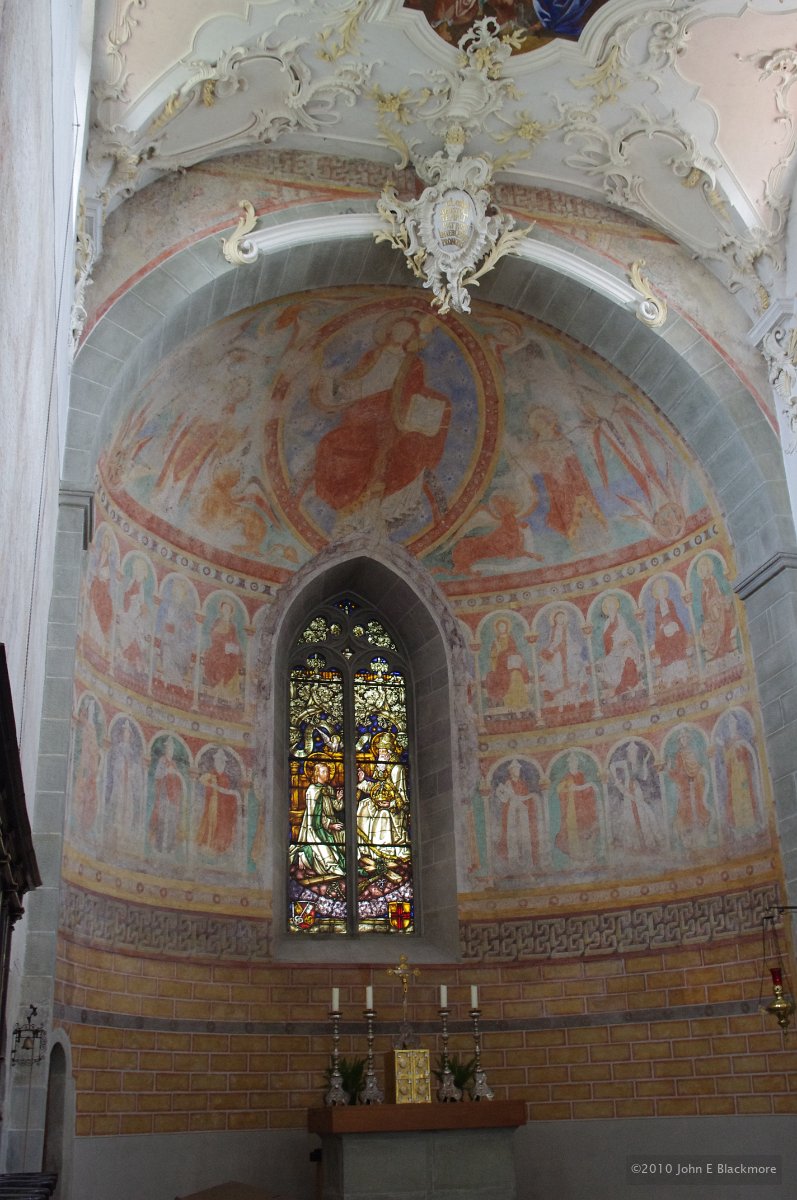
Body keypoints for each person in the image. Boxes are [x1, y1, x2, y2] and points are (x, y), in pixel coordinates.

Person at [305, 313, 451, 522]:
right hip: (361, 414)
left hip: (391, 417)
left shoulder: (414, 363)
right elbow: (354, 382)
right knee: (330, 443)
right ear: (389, 331)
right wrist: (329, 383)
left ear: (411, 337)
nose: (401, 334)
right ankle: (339, 499)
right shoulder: (371, 356)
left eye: (407, 332)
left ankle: (371, 502)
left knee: (383, 453)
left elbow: (413, 393)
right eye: (398, 329)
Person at [356, 732, 410, 859]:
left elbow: (402, 799)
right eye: (379, 751)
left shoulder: (397, 769)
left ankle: (384, 852)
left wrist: (389, 804)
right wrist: (363, 780)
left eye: (382, 752)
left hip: (394, 810)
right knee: (364, 805)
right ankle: (366, 848)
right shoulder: (381, 768)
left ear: (389, 753)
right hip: (380, 803)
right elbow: (376, 789)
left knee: (383, 814)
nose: (379, 755)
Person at [293, 760, 345, 877]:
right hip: (315, 827)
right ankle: (329, 865)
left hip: (330, 824)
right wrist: (329, 825)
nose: (327, 774)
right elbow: (315, 814)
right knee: (324, 849)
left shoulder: (329, 789)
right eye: (324, 771)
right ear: (317, 774)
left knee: (344, 838)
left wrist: (339, 798)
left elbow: (337, 807)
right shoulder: (312, 790)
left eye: (328, 771)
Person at [538, 608, 591, 711]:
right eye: (558, 617)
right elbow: (552, 642)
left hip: (567, 650)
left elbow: (569, 640)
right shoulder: (553, 630)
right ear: (555, 619)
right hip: (557, 652)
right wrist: (553, 649)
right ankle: (559, 700)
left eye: (562, 617)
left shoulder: (566, 628)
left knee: (579, 658)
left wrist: (572, 646)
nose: (560, 619)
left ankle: (576, 696)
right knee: (552, 669)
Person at [495, 759, 540, 875]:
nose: (517, 771)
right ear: (511, 771)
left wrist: (530, 796)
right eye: (515, 769)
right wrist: (500, 790)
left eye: (518, 769)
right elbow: (505, 799)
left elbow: (523, 798)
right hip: (512, 812)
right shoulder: (508, 783)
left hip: (523, 812)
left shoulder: (522, 783)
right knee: (513, 836)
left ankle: (527, 862)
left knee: (525, 836)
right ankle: (514, 864)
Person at [667, 730, 711, 847]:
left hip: (695, 784)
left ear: (688, 740)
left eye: (685, 738)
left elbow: (695, 766)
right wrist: (670, 770)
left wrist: (697, 773)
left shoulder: (691, 752)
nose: (684, 740)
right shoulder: (678, 755)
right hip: (684, 786)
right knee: (684, 806)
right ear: (680, 741)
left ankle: (699, 828)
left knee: (697, 804)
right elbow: (678, 771)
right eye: (682, 739)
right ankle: (686, 831)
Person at [554, 752, 600, 864]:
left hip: (583, 808)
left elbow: (583, 791)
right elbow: (560, 789)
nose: (573, 764)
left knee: (585, 830)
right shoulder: (567, 778)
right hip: (572, 809)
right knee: (573, 832)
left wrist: (588, 788)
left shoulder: (581, 775)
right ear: (569, 764)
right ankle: (576, 856)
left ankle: (586, 854)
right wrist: (588, 786)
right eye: (571, 762)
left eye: (575, 762)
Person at [197, 748, 242, 857]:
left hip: (223, 807)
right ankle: (209, 846)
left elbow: (226, 792)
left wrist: (230, 797)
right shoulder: (211, 774)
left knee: (223, 824)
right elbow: (201, 780)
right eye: (218, 760)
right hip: (213, 804)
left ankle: (221, 847)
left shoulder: (225, 777)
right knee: (211, 823)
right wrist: (211, 785)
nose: (220, 763)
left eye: (221, 761)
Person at [648, 576, 691, 689]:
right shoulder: (657, 607)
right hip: (663, 632)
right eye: (658, 592)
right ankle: (670, 677)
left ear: (665, 592)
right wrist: (662, 626)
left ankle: (682, 674)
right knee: (665, 645)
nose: (661, 594)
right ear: (656, 594)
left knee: (677, 638)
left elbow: (674, 616)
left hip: (673, 626)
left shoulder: (670, 602)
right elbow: (658, 623)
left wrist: (674, 624)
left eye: (662, 591)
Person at [599, 593, 643, 701]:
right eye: (609, 608)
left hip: (623, 645)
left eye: (613, 607)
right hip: (614, 649)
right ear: (607, 610)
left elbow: (624, 633)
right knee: (608, 661)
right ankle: (618, 684)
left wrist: (622, 642)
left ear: (616, 607)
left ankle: (628, 684)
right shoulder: (607, 623)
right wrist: (612, 643)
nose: (612, 609)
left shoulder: (621, 619)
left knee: (627, 656)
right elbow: (605, 638)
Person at [202, 600, 244, 704]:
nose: (226, 611)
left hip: (228, 652)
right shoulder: (217, 622)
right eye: (224, 608)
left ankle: (226, 693)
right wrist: (223, 643)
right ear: (221, 609)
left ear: (231, 611)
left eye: (228, 609)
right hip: (217, 649)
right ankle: (218, 689)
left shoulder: (232, 627)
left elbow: (235, 640)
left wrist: (235, 648)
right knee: (221, 661)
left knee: (231, 661)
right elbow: (213, 636)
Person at [149, 737, 186, 854]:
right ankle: (159, 846)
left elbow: (178, 779)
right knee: (162, 820)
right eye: (169, 748)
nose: (170, 751)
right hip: (164, 795)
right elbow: (157, 776)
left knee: (172, 821)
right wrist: (166, 772)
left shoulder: (174, 764)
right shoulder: (162, 761)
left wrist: (175, 775)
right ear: (165, 749)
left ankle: (170, 847)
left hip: (173, 797)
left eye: (172, 749)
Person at [485, 618, 530, 711]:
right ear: (497, 628)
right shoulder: (496, 640)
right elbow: (493, 655)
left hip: (510, 663)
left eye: (503, 626)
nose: (502, 628)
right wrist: (497, 652)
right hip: (500, 665)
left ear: (506, 627)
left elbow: (513, 649)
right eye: (500, 627)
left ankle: (520, 703)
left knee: (516, 675)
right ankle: (509, 704)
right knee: (501, 677)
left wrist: (503, 652)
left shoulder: (510, 638)